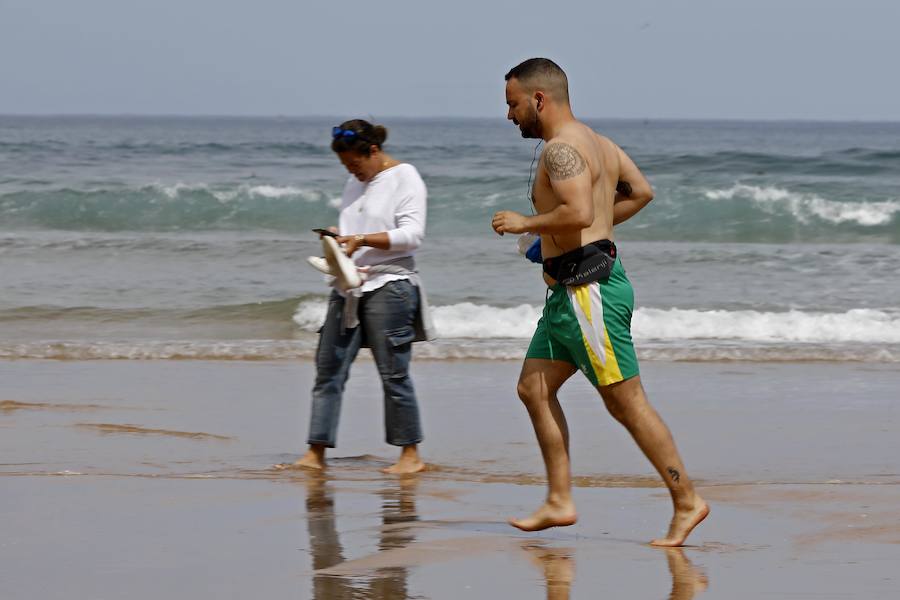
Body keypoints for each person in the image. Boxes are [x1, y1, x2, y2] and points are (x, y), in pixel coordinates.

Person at [492, 58, 708, 546]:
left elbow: (579, 210)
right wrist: (593, 235)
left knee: (626, 403)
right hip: (570, 293)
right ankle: (559, 500)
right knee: (534, 388)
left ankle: (687, 500)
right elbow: (640, 193)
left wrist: (525, 224)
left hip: (590, 295)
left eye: (513, 104)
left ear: (539, 99)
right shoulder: (598, 143)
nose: (509, 115)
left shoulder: (561, 150)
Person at [283, 119, 429, 474]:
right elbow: (355, 229)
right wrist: (340, 236)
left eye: (355, 163)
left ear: (374, 151)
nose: (352, 171)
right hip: (348, 285)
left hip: (390, 285)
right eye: (346, 165)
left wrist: (361, 240)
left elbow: (412, 235)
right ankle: (315, 452)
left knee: (394, 374)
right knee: (327, 370)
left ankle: (410, 455)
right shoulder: (354, 182)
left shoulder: (405, 177)